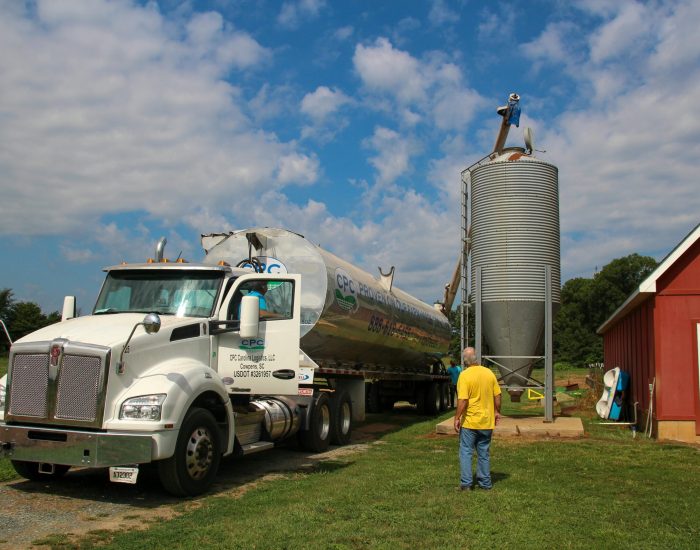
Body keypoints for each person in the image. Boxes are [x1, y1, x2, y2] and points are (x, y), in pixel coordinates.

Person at [453, 347, 501, 491]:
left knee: (466, 452)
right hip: (486, 421)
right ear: (476, 358)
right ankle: (485, 484)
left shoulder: (464, 375)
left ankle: (466, 484)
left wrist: (457, 417)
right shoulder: (489, 373)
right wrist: (497, 411)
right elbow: (497, 396)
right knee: (483, 452)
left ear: (465, 361)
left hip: (470, 422)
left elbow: (463, 400)